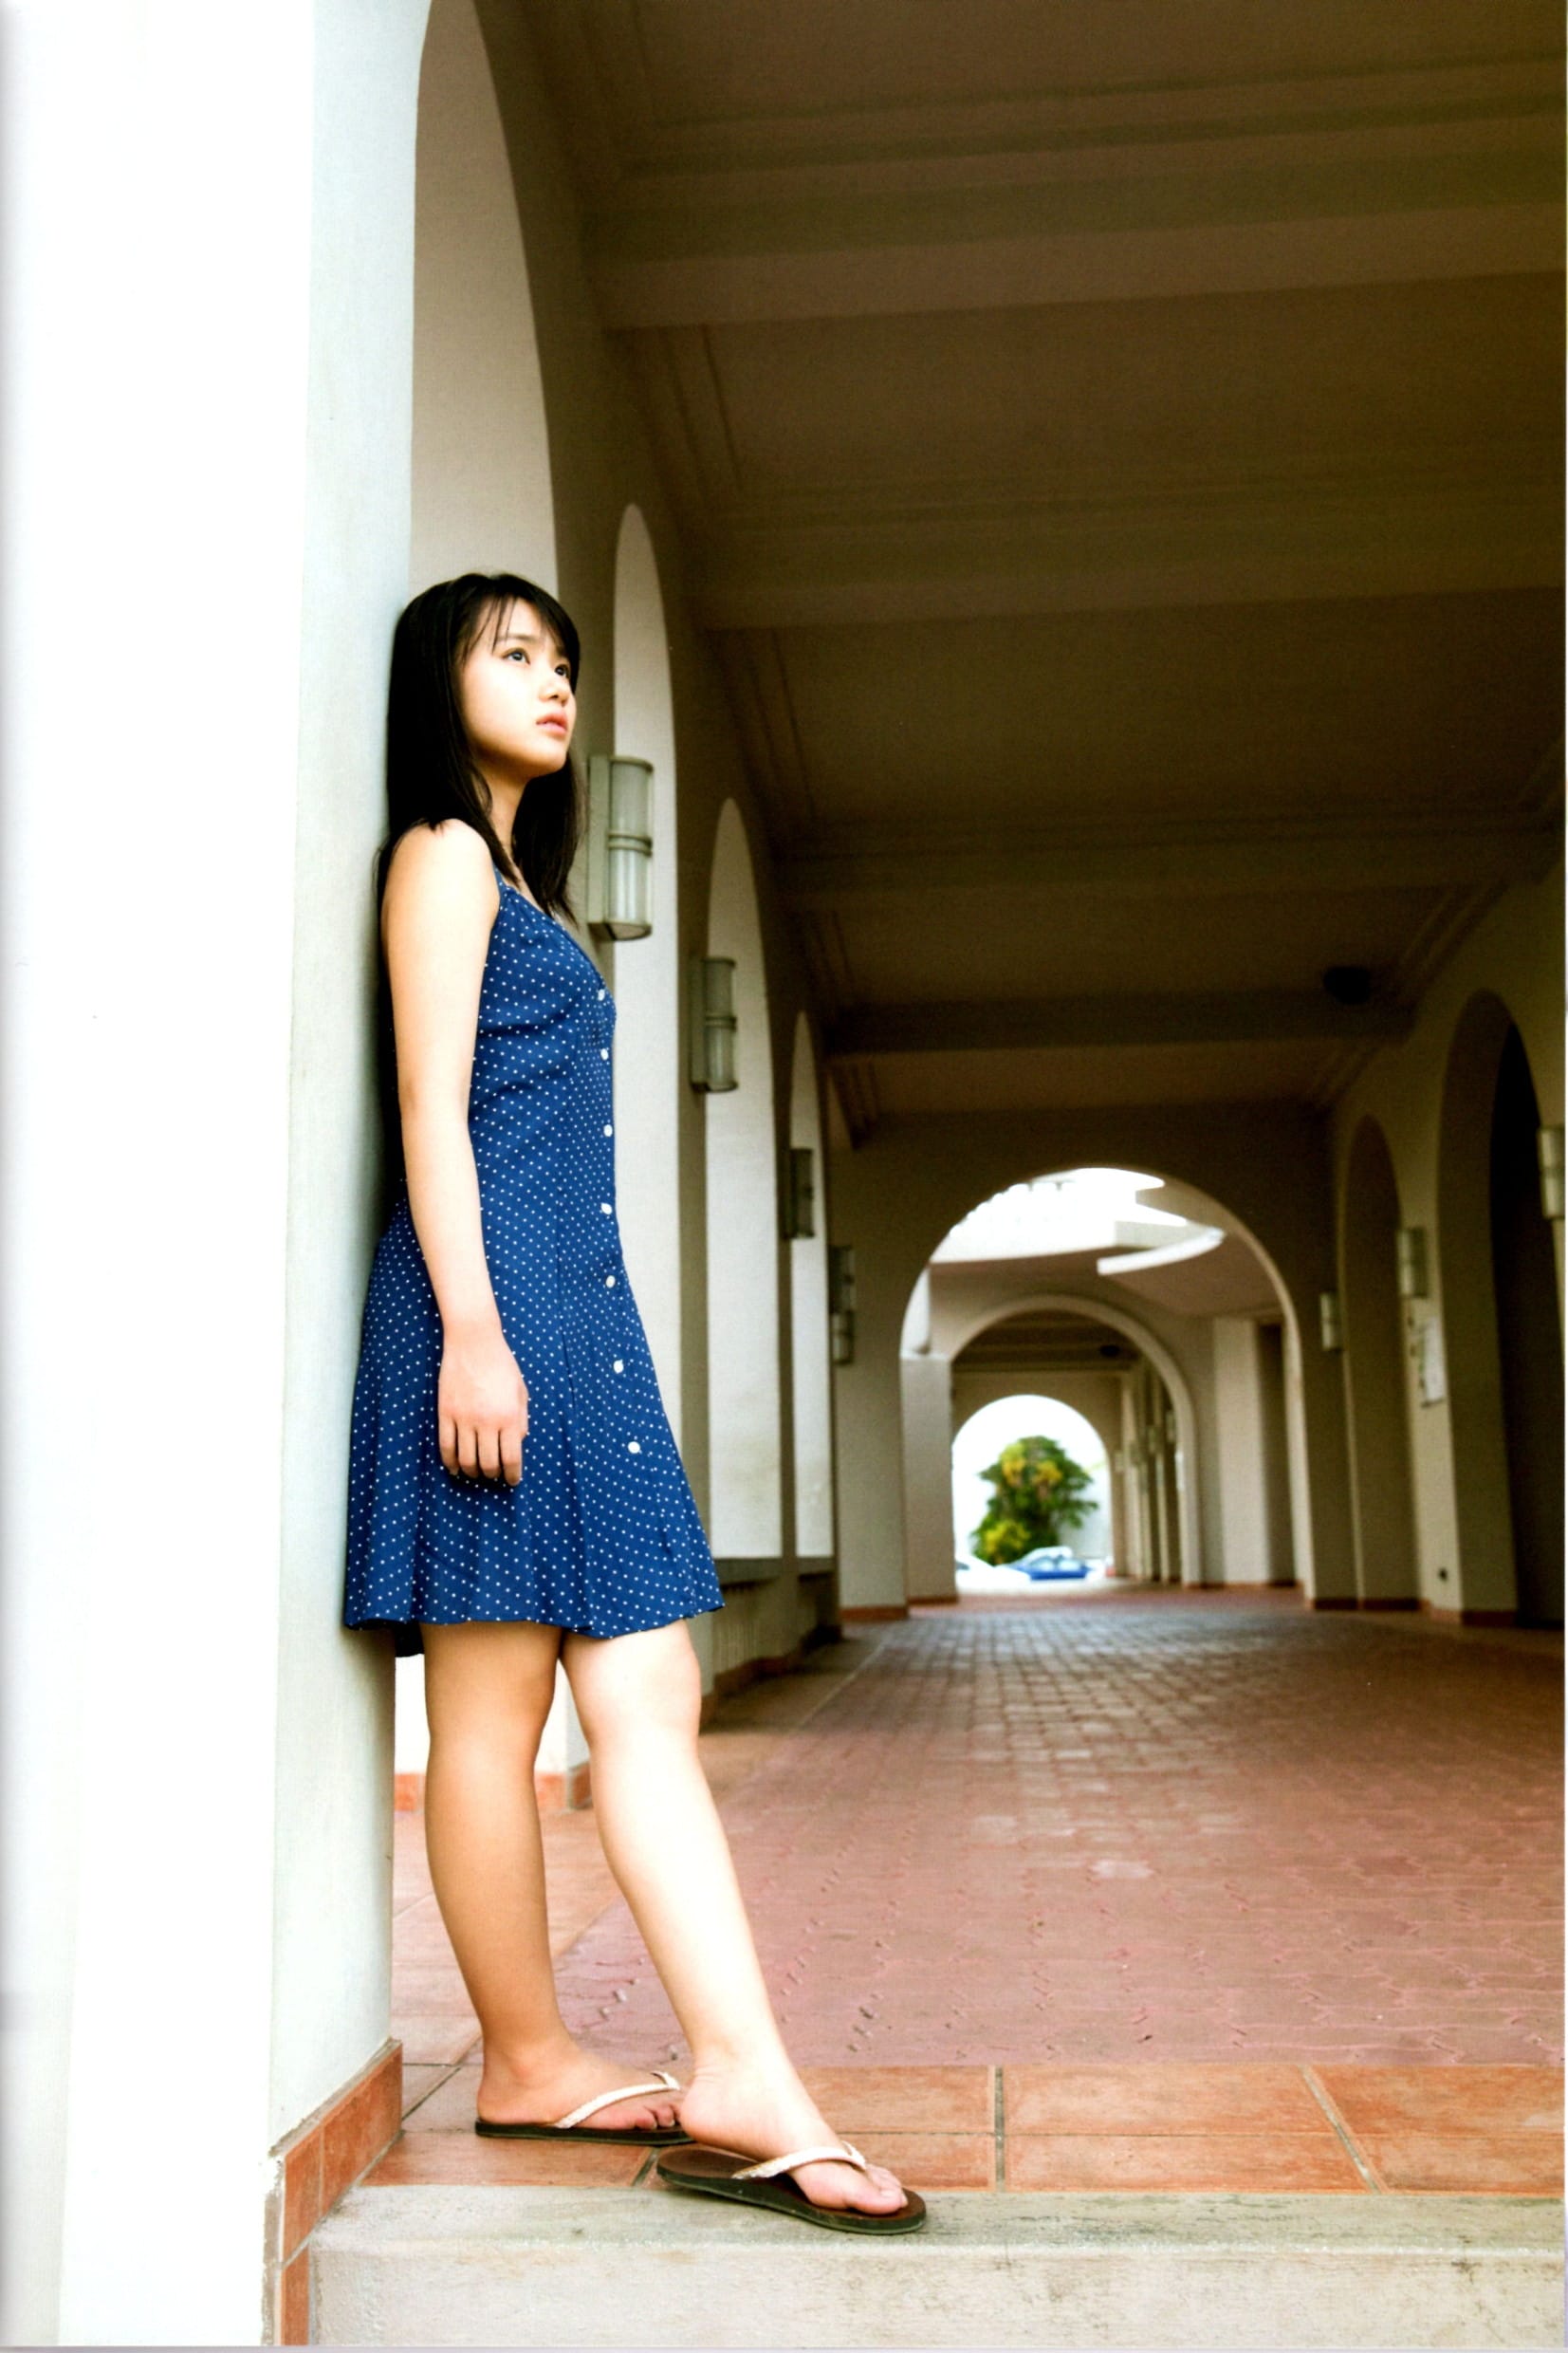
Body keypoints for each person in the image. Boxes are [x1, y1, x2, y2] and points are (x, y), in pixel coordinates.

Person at [342, 572, 923, 2234]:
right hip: (492, 1319)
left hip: (571, 1324)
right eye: (513, 655)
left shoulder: (522, 882)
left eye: (566, 660)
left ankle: (685, 2065)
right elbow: (427, 1109)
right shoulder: (441, 858)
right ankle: (554, 2061)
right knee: (495, 1710)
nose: (555, 683)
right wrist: (470, 1334)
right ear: (438, 680)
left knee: (638, 1689)